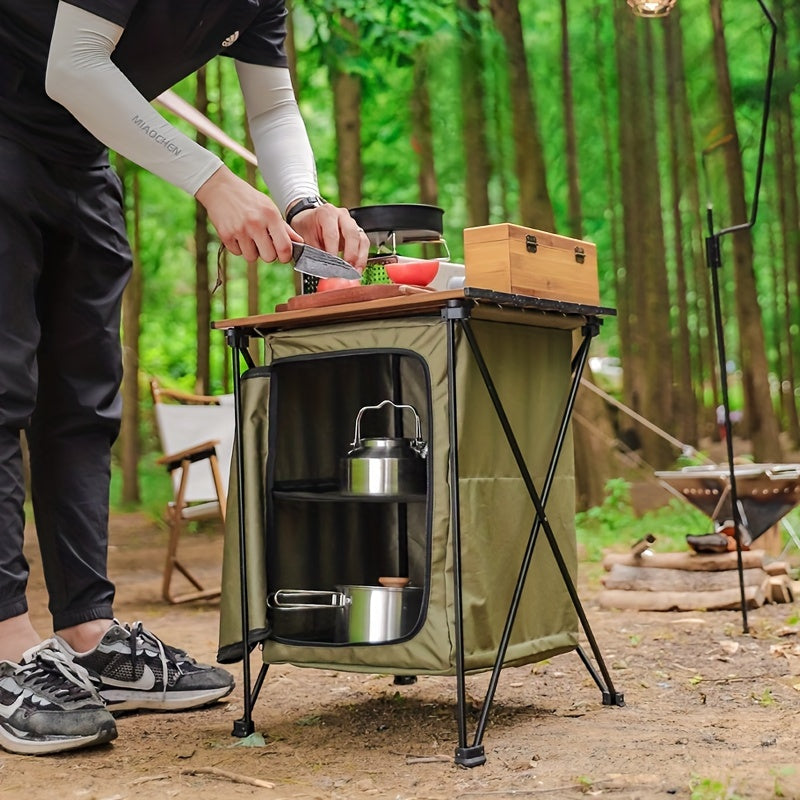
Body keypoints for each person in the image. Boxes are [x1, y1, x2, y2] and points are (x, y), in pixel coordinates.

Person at [0, 0, 369, 755]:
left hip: (81, 156)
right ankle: (6, 644)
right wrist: (211, 180)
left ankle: (87, 631)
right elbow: (73, 63)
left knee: (84, 400)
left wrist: (304, 201)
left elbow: (271, 104)